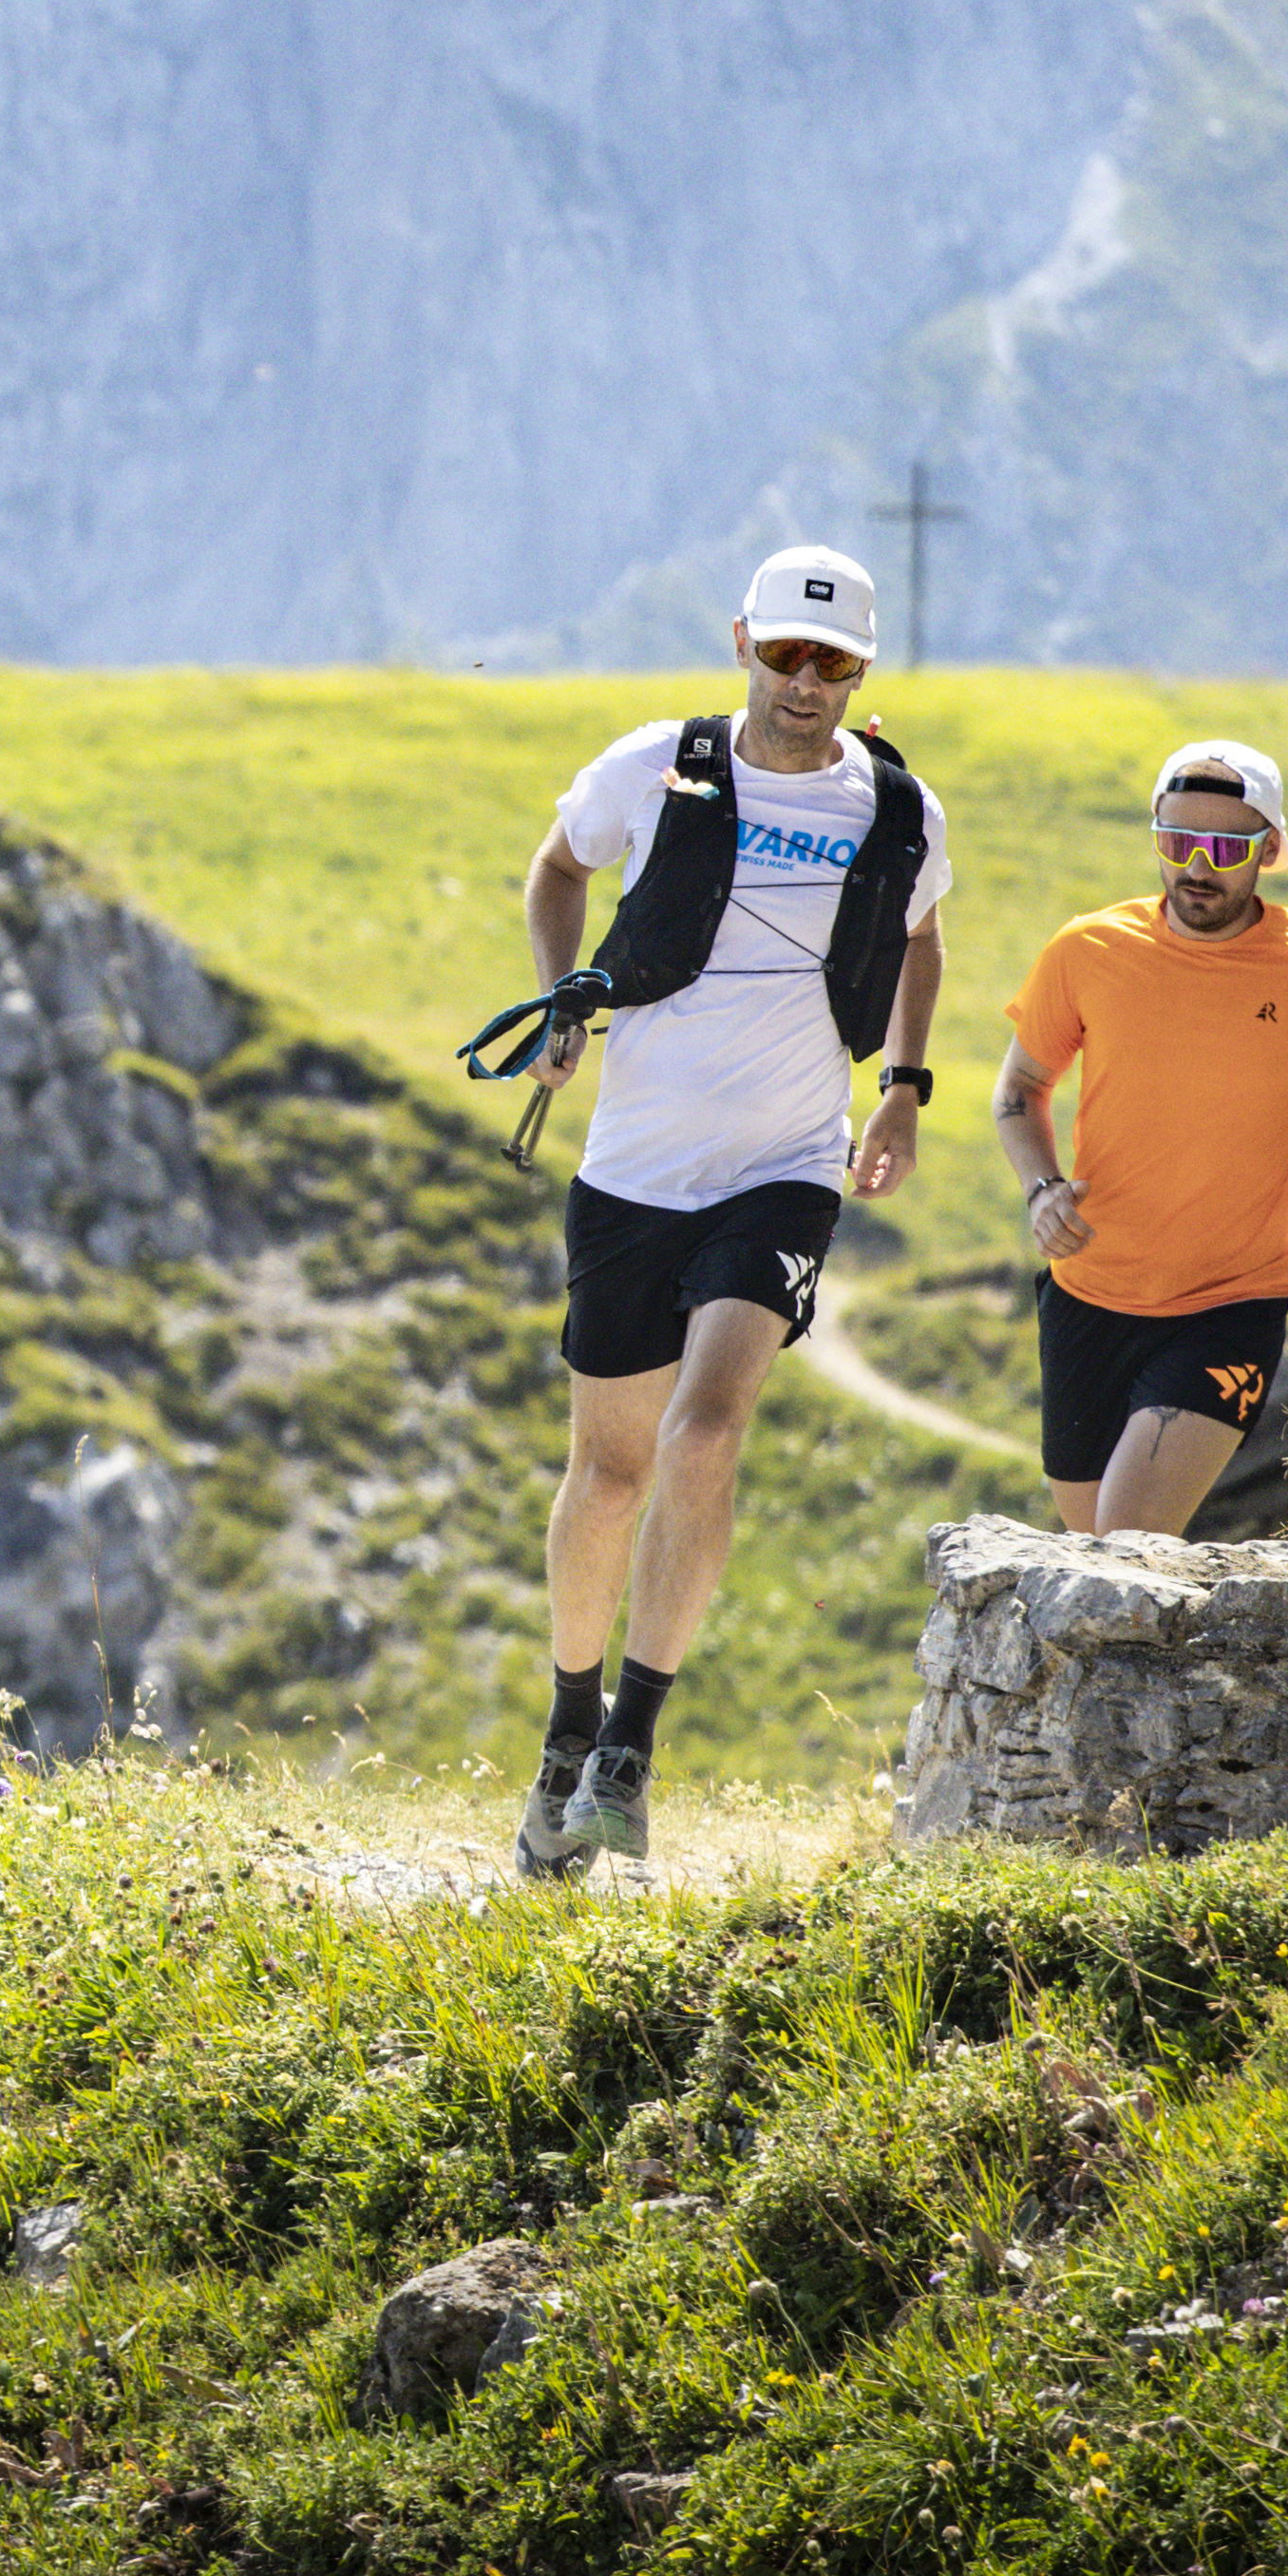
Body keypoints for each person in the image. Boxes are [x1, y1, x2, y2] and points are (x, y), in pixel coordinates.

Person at [504, 544, 945, 1877]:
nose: (805, 681)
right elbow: (556, 866)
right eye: (787, 653)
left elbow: (918, 935)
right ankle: (568, 1729)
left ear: (861, 669)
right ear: (743, 641)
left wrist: (903, 1089)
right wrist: (562, 997)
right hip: (634, 1169)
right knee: (608, 1474)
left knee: (703, 1432)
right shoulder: (655, 762)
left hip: (785, 1166)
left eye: (834, 662)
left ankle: (631, 1747)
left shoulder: (897, 805)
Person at [990, 732, 1288, 1540]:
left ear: (1268, 850)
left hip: (1230, 1302)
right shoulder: (1087, 949)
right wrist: (1040, 1188)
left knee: (1127, 1536)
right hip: (1086, 1292)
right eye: (1176, 843)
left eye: (1225, 849)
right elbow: (1020, 1088)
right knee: (1087, 1550)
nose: (1196, 867)